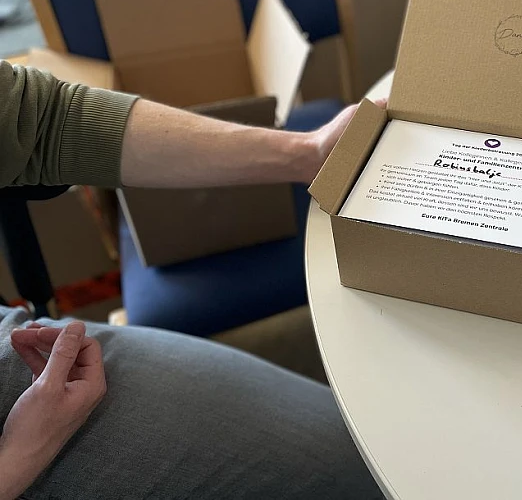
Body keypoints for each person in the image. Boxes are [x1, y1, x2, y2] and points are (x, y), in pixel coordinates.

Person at [0, 60, 384, 499]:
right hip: (22, 446)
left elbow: (40, 123)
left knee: (342, 445)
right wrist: (20, 455)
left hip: (25, 358)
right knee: (354, 470)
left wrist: (308, 153)